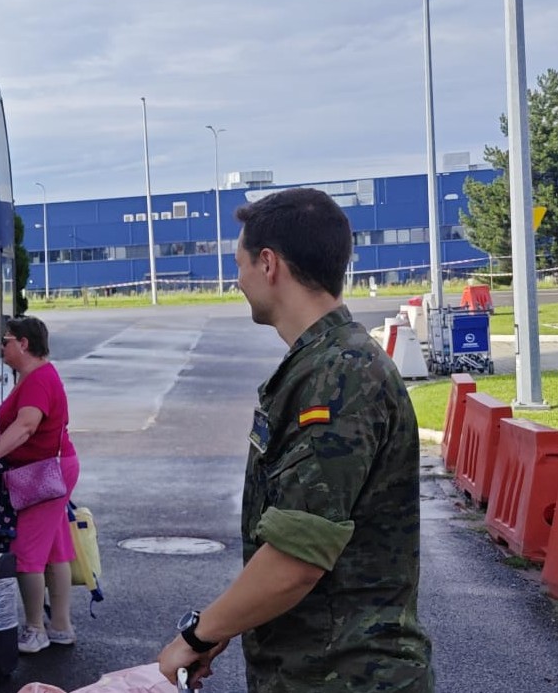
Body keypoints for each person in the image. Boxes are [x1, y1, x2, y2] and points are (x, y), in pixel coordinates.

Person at [157, 187, 433, 692]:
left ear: (269, 264)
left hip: (347, 676)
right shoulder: (325, 364)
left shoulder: (340, 374)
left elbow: (296, 560)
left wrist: (196, 638)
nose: (237, 280)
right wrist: (228, 624)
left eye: (239, 264)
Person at [0, 315, 80, 654]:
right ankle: (59, 626)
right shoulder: (37, 376)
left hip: (42, 472)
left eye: (6, 341)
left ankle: (34, 629)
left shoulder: (37, 380)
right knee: (56, 548)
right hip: (52, 468)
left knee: (27, 553)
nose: (2, 347)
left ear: (24, 344)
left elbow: (26, 426)